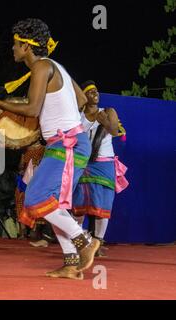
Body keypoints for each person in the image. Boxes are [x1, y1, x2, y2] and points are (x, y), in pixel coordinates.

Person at [0, 19, 100, 280]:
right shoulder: (57, 67)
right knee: (51, 204)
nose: (12, 48)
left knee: (35, 198)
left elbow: (33, 109)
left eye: (15, 44)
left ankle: (85, 242)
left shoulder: (42, 66)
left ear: (27, 46)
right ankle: (71, 263)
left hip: (67, 144)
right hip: (68, 142)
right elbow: (80, 100)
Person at [72, 81, 129, 257]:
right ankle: (80, 243)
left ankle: (97, 243)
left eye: (96, 90)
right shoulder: (77, 116)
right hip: (82, 163)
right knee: (78, 205)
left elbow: (114, 132)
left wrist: (104, 121)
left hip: (104, 163)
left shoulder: (108, 111)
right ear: (83, 97)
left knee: (103, 204)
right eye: (89, 92)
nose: (94, 93)